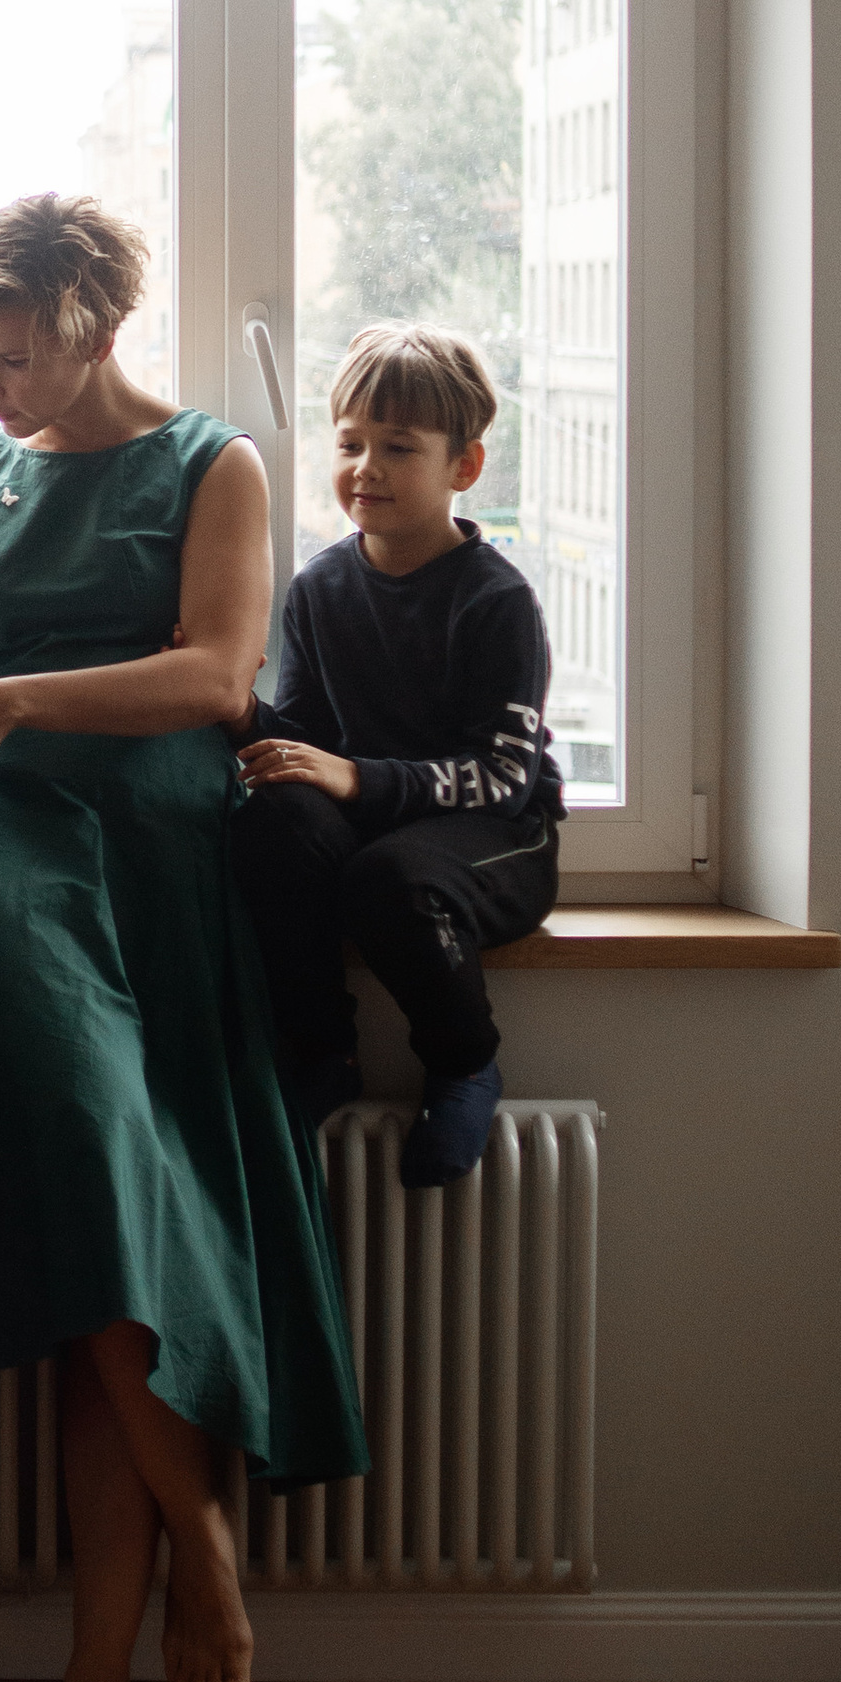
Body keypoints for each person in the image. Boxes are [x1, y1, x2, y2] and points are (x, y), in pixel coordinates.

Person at [0, 194, 369, 1682]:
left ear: (90, 318)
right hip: (8, 864)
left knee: (113, 1256)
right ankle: (197, 1544)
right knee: (84, 1175)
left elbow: (219, 680)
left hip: (153, 866)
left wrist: (2, 692)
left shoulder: (215, 462)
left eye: (12, 359)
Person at [229, 321, 561, 1190]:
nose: (364, 468)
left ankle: (465, 1064)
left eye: (397, 447)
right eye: (349, 444)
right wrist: (233, 702)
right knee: (272, 818)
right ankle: (322, 1054)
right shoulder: (319, 587)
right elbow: (305, 747)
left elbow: (503, 775)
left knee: (392, 876)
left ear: (464, 467)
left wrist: (357, 778)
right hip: (376, 821)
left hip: (494, 836)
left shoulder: (497, 600)